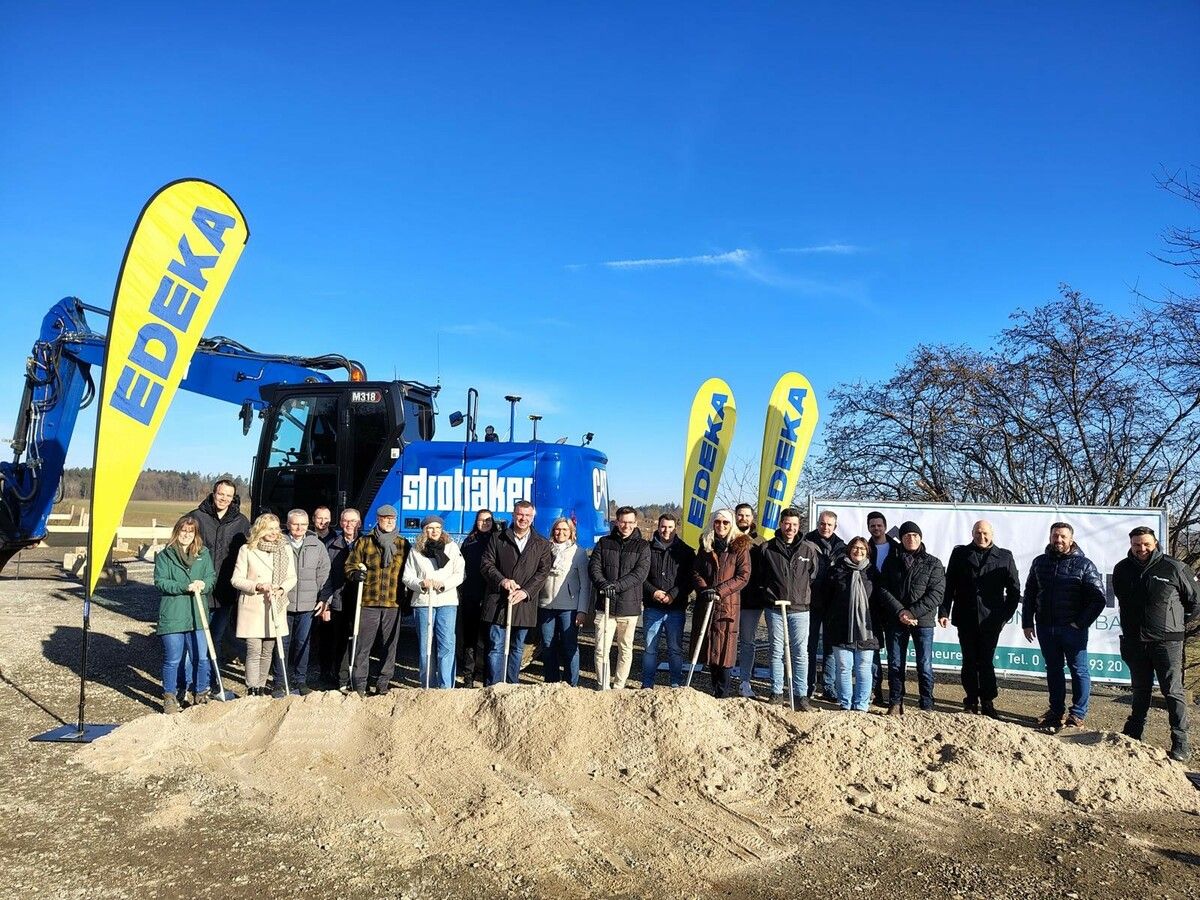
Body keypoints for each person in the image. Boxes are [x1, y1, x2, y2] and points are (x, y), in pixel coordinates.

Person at [1113, 526, 1198, 761]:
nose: (1141, 549)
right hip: (1134, 641)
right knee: (1140, 689)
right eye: (1136, 544)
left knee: (1172, 691)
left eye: (1146, 544)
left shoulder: (1173, 567)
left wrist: (1175, 624)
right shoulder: (1122, 568)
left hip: (1166, 642)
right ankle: (1134, 732)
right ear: (1131, 545)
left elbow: (1194, 602)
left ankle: (1180, 742)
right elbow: (1122, 600)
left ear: (1155, 543)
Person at [1022, 522, 1105, 732]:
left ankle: (1077, 714)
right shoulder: (1039, 562)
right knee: (1053, 670)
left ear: (1071, 539)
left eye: (1063, 537)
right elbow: (1030, 593)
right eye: (1055, 536)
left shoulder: (1084, 565)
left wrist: (1080, 622)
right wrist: (1026, 622)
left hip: (1072, 630)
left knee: (1079, 670)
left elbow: (1099, 598)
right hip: (1045, 627)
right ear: (1050, 537)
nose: (1058, 540)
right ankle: (1056, 711)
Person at [938, 520, 1021, 718]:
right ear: (972, 533)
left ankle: (988, 701)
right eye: (977, 533)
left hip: (991, 621)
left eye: (985, 533)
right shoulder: (960, 554)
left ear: (992, 534)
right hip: (965, 617)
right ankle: (970, 701)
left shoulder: (1004, 556)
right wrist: (943, 611)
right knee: (968, 661)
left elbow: (1014, 591)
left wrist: (1003, 616)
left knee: (985, 661)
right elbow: (949, 585)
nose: (981, 537)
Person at [188, 478, 250, 697]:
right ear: (213, 494)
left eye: (228, 495)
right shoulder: (197, 517)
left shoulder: (241, 522)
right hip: (200, 589)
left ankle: (213, 683)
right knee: (196, 637)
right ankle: (193, 684)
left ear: (234, 498)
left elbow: (247, 554)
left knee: (216, 638)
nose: (223, 499)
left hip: (225, 591)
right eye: (220, 494)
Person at [480, 500, 553, 685]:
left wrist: (526, 592)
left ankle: (512, 686)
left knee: (517, 648)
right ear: (513, 515)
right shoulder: (498, 538)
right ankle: (494, 686)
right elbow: (486, 564)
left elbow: (543, 572)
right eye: (520, 514)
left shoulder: (542, 543)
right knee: (496, 647)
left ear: (533, 517)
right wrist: (502, 580)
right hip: (498, 601)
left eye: (528, 515)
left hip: (523, 604)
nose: (523, 518)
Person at [754, 507, 820, 708]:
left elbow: (814, 575)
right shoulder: (767, 549)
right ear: (781, 524)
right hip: (775, 609)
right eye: (787, 523)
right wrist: (768, 593)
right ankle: (776, 692)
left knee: (800, 652)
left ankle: (801, 695)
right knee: (776, 651)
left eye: (794, 524)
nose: (790, 528)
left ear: (799, 526)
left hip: (800, 609)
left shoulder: (809, 549)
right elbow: (759, 576)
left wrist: (802, 594)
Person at [878, 521, 945, 714]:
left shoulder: (933, 563)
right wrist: (900, 612)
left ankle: (926, 703)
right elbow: (883, 589)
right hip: (896, 620)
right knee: (895, 663)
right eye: (907, 535)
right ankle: (896, 701)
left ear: (921, 538)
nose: (911, 538)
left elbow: (936, 594)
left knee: (924, 665)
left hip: (922, 621)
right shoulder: (892, 561)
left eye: (915, 535)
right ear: (902, 539)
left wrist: (912, 612)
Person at [344, 504, 411, 696]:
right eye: (385, 518)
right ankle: (360, 684)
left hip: (393, 603)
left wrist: (407, 599)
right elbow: (349, 566)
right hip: (368, 603)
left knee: (389, 646)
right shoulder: (365, 542)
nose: (389, 521)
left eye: (392, 518)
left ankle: (383, 684)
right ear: (378, 519)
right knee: (363, 646)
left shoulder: (402, 544)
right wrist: (355, 574)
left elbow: (410, 572)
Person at [153, 516, 216, 712]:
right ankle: (171, 696)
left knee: (201, 657)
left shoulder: (203, 554)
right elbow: (160, 582)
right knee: (173, 658)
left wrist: (204, 584)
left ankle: (200, 693)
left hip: (198, 615)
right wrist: (184, 586)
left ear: (196, 534)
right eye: (183, 531)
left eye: (191, 532)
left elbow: (211, 576)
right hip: (173, 614)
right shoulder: (165, 556)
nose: (187, 535)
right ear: (177, 532)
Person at [230, 513, 297, 696]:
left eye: (276, 528)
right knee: (254, 649)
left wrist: (281, 589)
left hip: (275, 605)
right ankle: (252, 687)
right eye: (269, 528)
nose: (274, 532)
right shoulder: (247, 550)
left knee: (268, 649)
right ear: (260, 529)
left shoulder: (285, 550)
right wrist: (257, 586)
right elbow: (236, 579)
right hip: (253, 605)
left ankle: (261, 685)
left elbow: (292, 576)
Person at [690, 508, 751, 698]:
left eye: (725, 522)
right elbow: (696, 571)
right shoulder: (706, 545)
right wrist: (704, 589)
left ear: (731, 524)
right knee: (709, 647)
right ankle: (713, 689)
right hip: (707, 603)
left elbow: (743, 576)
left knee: (725, 649)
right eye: (717, 522)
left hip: (727, 605)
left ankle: (723, 693)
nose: (721, 526)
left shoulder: (740, 547)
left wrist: (719, 591)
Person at [588, 506, 651, 690]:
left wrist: (615, 586)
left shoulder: (643, 546)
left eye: (631, 522)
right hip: (605, 605)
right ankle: (603, 685)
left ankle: (619, 686)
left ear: (636, 523)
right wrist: (603, 584)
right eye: (623, 521)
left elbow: (639, 574)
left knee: (625, 649)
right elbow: (594, 567)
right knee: (601, 649)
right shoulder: (603, 542)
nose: (626, 525)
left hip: (628, 607)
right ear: (616, 522)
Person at [271, 509, 331, 696]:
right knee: (282, 643)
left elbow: (324, 573)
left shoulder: (316, 545)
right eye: (295, 524)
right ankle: (280, 682)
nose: (299, 528)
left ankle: (300, 681)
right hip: (283, 603)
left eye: (303, 524)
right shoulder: (278, 543)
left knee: (303, 643)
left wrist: (323, 599)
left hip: (307, 605)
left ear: (308, 525)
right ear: (287, 525)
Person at [403, 515, 465, 689]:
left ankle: (446, 687)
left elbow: (459, 574)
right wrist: (421, 584)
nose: (434, 531)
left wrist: (443, 584)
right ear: (424, 530)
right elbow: (407, 577)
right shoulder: (416, 550)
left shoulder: (452, 548)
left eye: (437, 527)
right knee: (426, 646)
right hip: (423, 602)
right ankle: (427, 686)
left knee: (446, 644)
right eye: (430, 528)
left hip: (447, 601)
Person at [823, 537, 882, 712]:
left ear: (867, 552)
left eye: (863, 549)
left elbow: (880, 600)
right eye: (855, 548)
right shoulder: (836, 571)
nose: (859, 551)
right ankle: (845, 704)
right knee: (843, 668)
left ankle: (861, 705)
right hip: (841, 628)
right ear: (849, 550)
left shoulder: (873, 573)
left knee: (864, 668)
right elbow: (826, 598)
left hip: (867, 630)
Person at [640, 513, 695, 689]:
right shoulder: (646, 549)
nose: (666, 530)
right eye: (663, 526)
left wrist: (673, 594)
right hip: (652, 607)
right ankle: (647, 684)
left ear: (675, 528)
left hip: (676, 608)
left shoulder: (686, 552)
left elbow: (689, 580)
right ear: (658, 526)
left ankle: (675, 683)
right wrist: (654, 592)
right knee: (650, 648)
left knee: (675, 649)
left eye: (670, 527)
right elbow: (641, 576)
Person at [539, 517, 589, 685]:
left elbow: (585, 585)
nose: (560, 533)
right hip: (546, 605)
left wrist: (582, 610)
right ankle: (551, 682)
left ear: (571, 533)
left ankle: (570, 684)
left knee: (569, 647)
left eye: (564, 530)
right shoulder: (545, 550)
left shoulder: (579, 553)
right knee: (547, 646)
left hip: (569, 607)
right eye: (557, 529)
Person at [317, 508, 361, 690]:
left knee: (359, 641)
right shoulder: (332, 545)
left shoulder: (366, 544)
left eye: (353, 521)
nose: (349, 525)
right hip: (339, 600)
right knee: (340, 640)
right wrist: (325, 601)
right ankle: (342, 679)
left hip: (360, 601)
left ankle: (358, 678)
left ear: (359, 523)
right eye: (345, 521)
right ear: (341, 523)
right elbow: (326, 576)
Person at [804, 510, 846, 701]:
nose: (825, 527)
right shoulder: (805, 542)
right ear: (818, 523)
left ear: (835, 526)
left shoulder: (842, 547)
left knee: (830, 648)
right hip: (810, 601)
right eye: (822, 523)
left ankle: (828, 686)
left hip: (832, 604)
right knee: (809, 646)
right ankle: (808, 684)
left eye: (829, 524)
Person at [458, 509, 495, 687]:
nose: (485, 523)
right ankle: (468, 676)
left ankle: (489, 677)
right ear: (476, 522)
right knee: (470, 639)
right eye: (481, 520)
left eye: (488, 520)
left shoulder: (498, 540)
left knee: (490, 638)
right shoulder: (469, 541)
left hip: (491, 596)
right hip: (471, 595)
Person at [866, 511, 899, 705]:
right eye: (872, 525)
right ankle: (875, 692)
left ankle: (896, 695)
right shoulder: (865, 548)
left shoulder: (897, 548)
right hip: (871, 607)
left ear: (885, 526)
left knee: (895, 654)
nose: (876, 528)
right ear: (868, 527)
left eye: (879, 525)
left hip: (893, 607)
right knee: (873, 651)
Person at [735, 503, 767, 697]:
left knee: (747, 641)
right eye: (740, 515)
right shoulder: (727, 536)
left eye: (747, 515)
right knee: (727, 639)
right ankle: (722, 675)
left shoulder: (761, 542)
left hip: (751, 601)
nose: (743, 518)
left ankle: (745, 680)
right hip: (729, 598)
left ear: (752, 518)